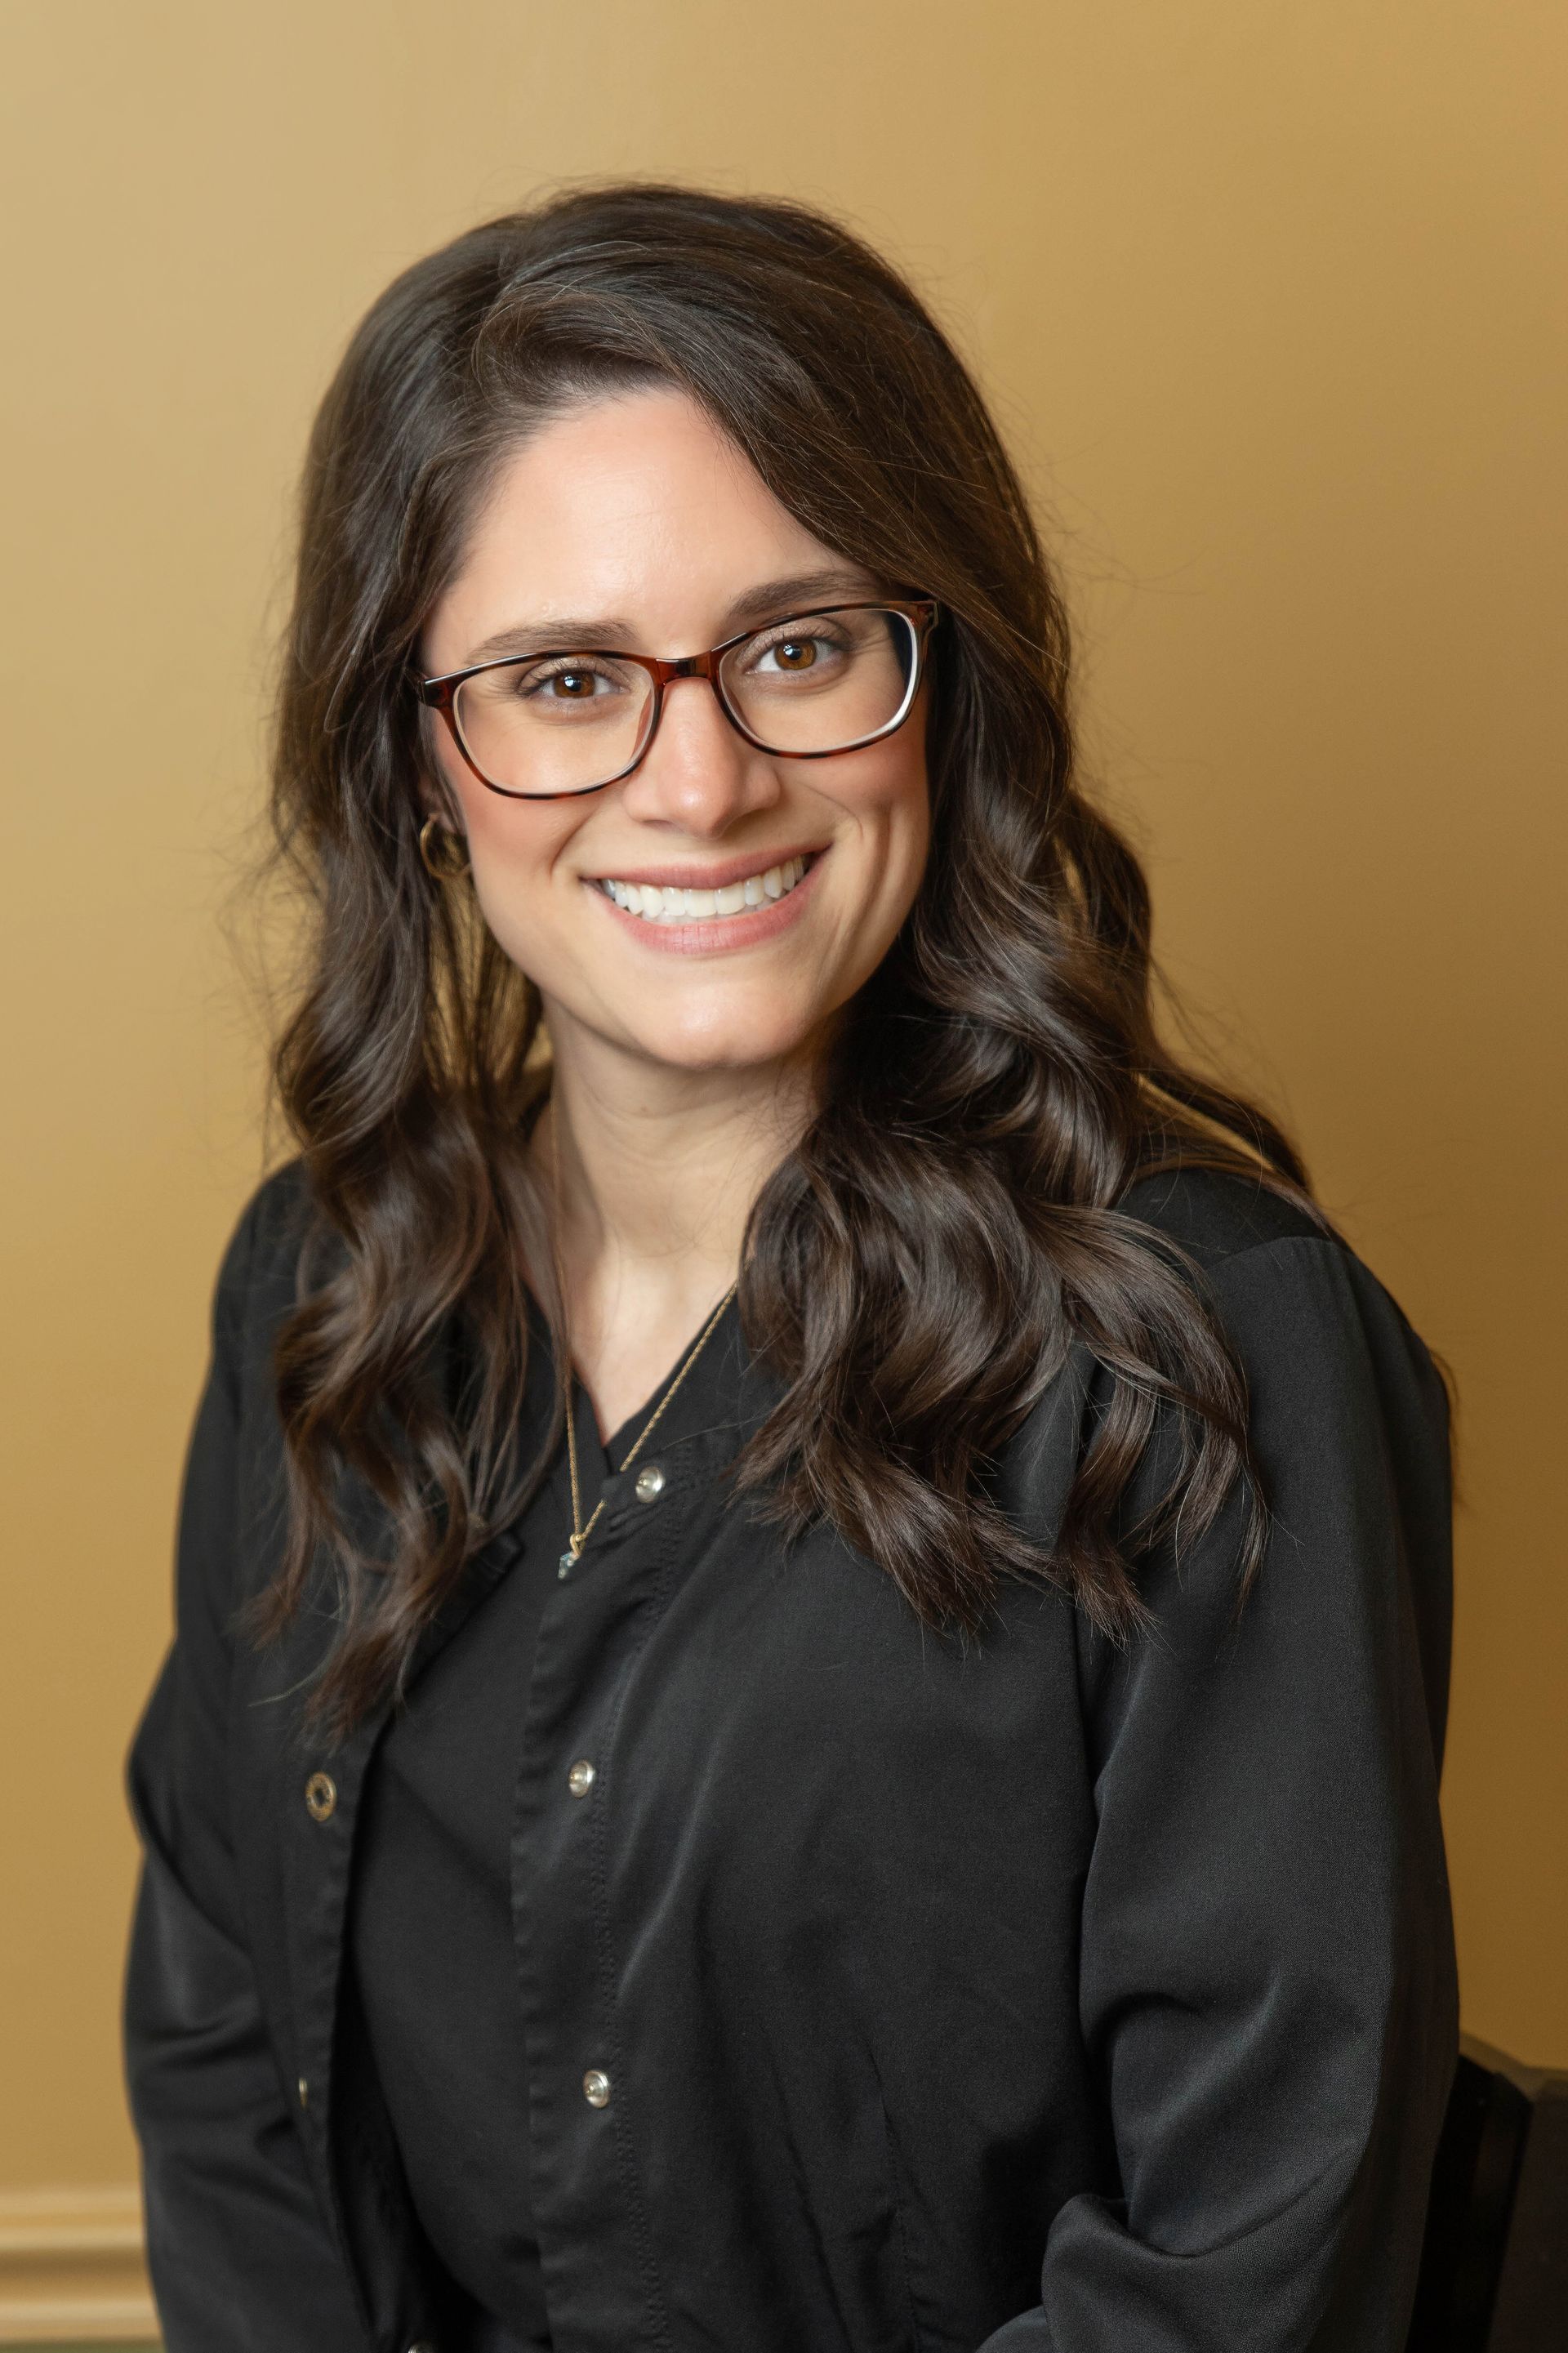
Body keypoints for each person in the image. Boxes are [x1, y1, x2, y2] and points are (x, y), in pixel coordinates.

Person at [123, 183, 1457, 2353]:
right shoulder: (324, 1283)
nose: (708, 778)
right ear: (419, 764)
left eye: (801, 644)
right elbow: (222, 2029)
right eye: (569, 678)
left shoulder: (1203, 1348)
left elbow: (1247, 2257)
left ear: (942, 675)